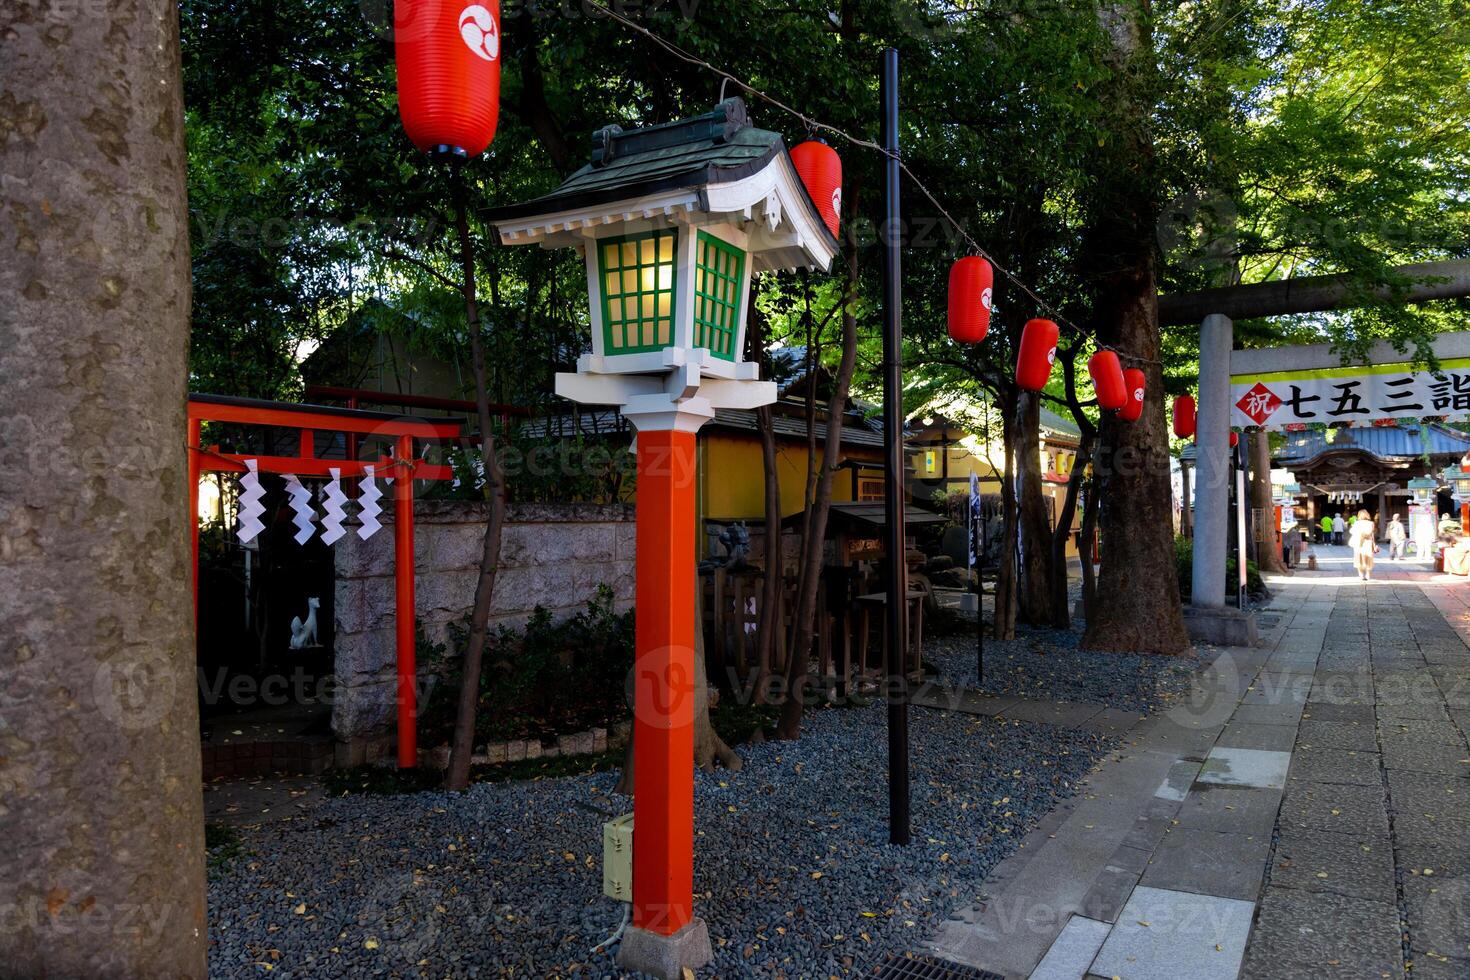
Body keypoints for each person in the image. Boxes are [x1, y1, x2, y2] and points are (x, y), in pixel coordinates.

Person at [1349, 508, 1378, 580]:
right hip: (1368, 541)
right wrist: (1373, 543)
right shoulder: (1371, 523)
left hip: (1359, 542)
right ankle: (1368, 574)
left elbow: (1351, 531)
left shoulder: (1356, 523)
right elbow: (1372, 534)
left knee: (1358, 557)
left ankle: (1361, 575)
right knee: (1368, 558)